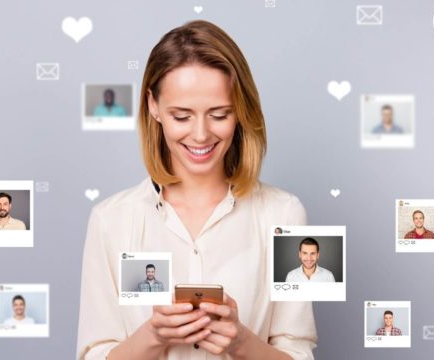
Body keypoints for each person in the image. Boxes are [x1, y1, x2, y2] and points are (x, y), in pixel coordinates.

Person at [77, 20, 316, 360]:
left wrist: (241, 343)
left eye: (219, 114)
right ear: (153, 107)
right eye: (182, 115)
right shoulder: (109, 220)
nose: (201, 135)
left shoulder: (285, 214)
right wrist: (153, 336)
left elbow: (299, 353)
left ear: (241, 112)